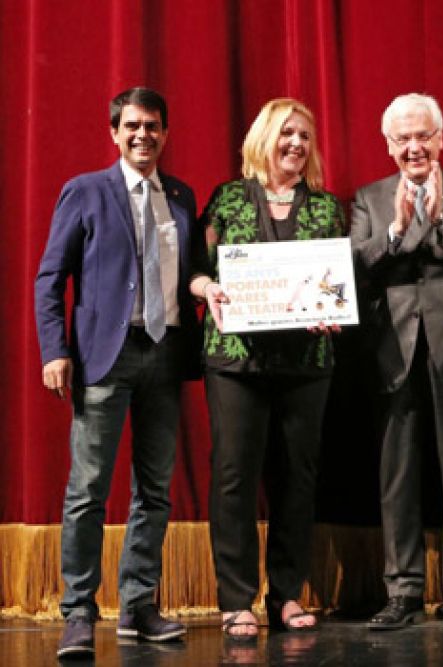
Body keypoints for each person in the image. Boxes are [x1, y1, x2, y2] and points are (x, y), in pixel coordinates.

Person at [35, 87, 202, 658]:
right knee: (87, 491)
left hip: (165, 355)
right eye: (132, 125)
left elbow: (192, 271)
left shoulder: (181, 196)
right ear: (114, 132)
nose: (142, 135)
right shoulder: (84, 191)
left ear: (165, 133)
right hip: (102, 357)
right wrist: (54, 350)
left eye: (153, 126)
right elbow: (49, 278)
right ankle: (79, 611)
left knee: (154, 491)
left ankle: (138, 606)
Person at [191, 98, 345, 641]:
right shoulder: (227, 199)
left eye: (305, 136)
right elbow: (195, 268)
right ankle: (236, 599)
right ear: (264, 138)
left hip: (306, 362)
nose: (297, 145)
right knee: (234, 475)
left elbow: (336, 283)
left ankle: (286, 593)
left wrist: (334, 312)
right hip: (235, 359)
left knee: (297, 479)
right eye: (287, 134)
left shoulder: (326, 208)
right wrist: (207, 287)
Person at [351, 93, 443, 631]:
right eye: (402, 139)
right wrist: (393, 232)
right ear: (388, 146)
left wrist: (439, 222)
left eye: (423, 136)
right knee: (398, 475)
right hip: (392, 347)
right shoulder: (369, 198)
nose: (414, 147)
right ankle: (403, 589)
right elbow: (353, 263)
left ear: (440, 138)